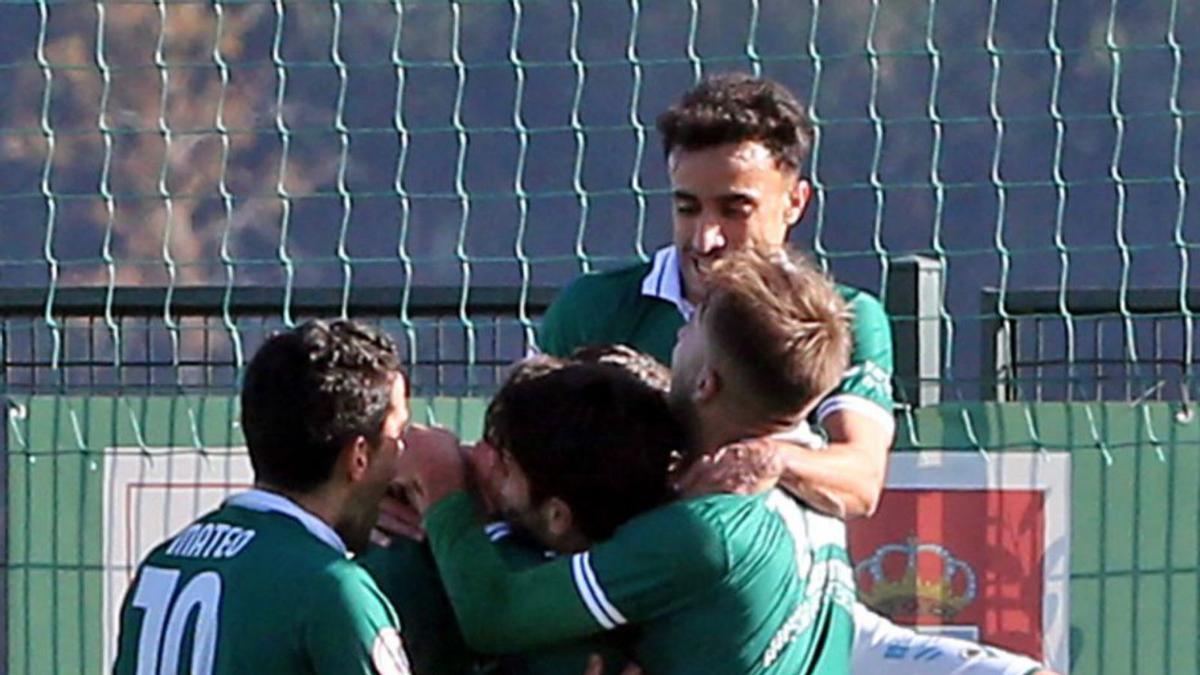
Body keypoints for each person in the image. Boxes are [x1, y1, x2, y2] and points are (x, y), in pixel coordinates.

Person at [536, 72, 1052, 675]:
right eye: (687, 207)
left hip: (805, 611)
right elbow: (518, 465)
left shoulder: (837, 318)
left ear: (795, 203)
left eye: (735, 209)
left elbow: (859, 478)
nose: (705, 238)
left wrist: (772, 460)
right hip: (630, 608)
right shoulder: (596, 308)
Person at [398, 248, 858, 674]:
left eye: (695, 322)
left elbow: (496, 615)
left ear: (706, 385)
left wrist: (443, 486)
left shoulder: (706, 530)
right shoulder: (812, 492)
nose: (679, 329)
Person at [113, 320, 412, 674]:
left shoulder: (162, 565)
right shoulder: (331, 587)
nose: (403, 453)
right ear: (359, 456)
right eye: (398, 434)